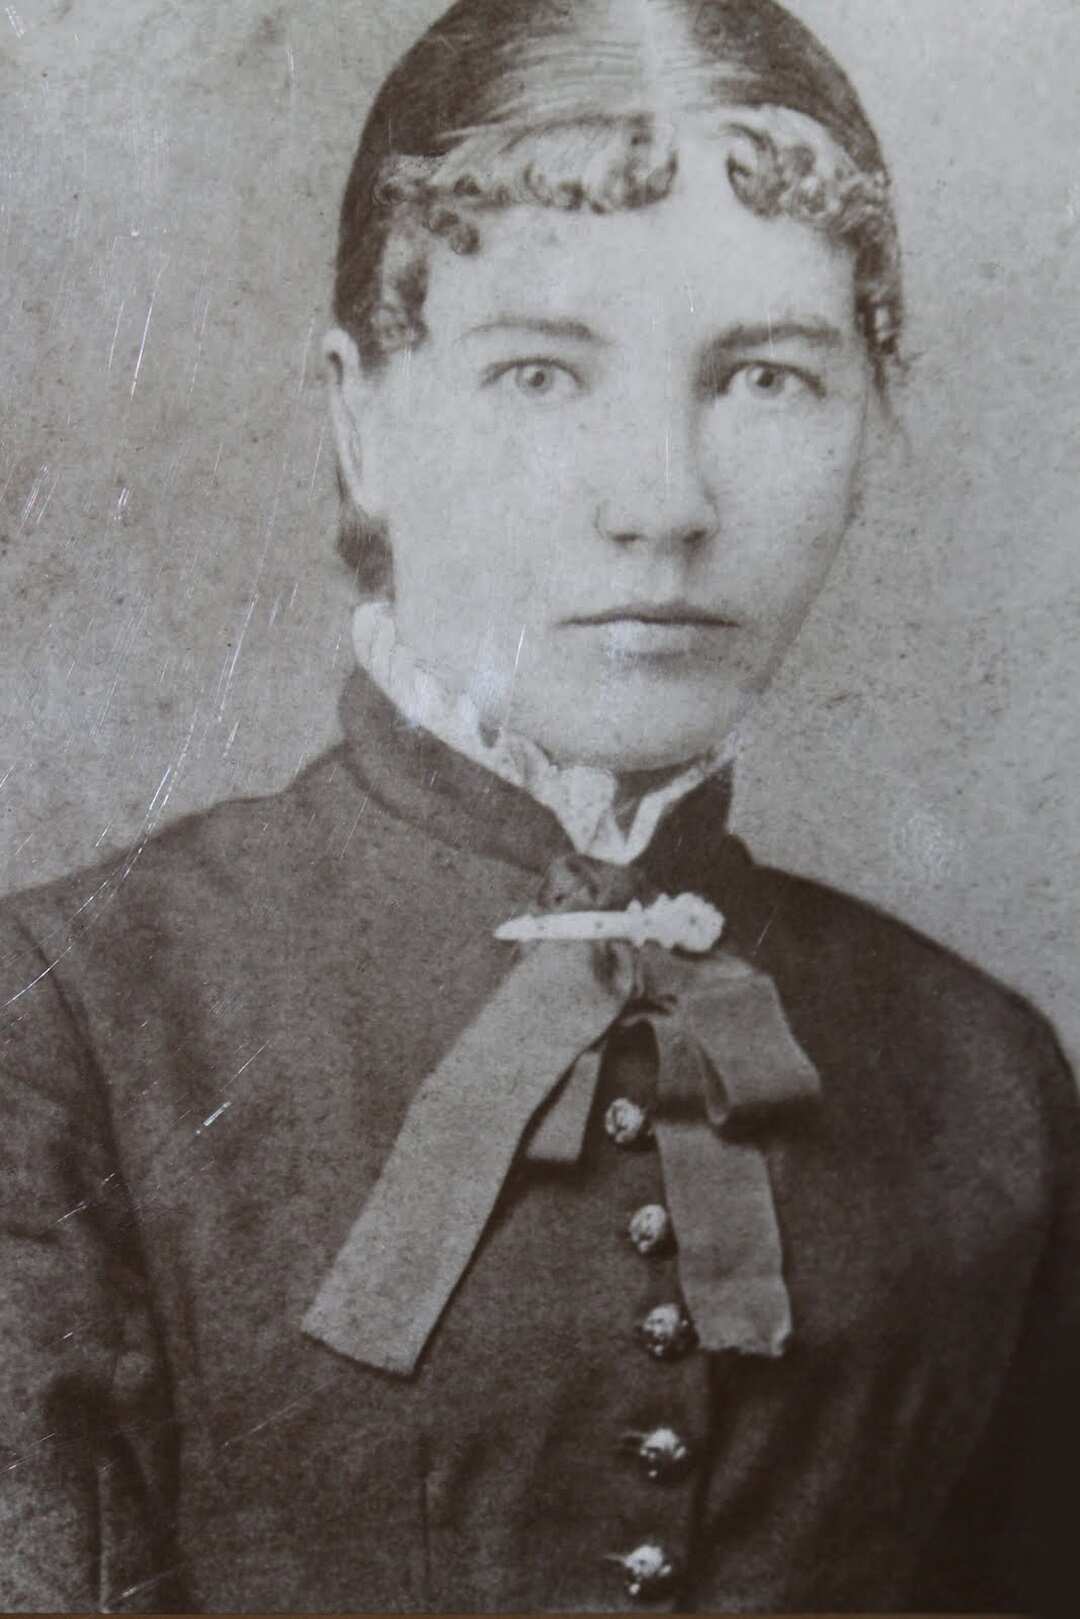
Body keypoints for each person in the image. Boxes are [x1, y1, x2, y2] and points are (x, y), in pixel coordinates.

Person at [2, 0, 1078, 1611]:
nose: (662, 502)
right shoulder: (74, 1026)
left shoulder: (992, 1085)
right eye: (539, 373)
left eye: (769, 378)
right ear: (362, 423)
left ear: (869, 425)